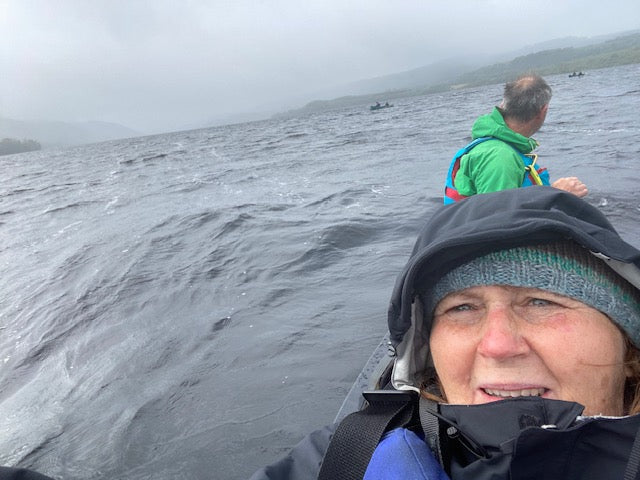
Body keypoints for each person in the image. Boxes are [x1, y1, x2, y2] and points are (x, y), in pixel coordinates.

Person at [250, 186, 640, 479]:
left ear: (628, 343)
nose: (498, 345)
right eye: (463, 308)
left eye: (541, 302)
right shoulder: (343, 459)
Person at [444, 73, 588, 205]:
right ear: (543, 111)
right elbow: (498, 223)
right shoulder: (499, 158)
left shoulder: (497, 148)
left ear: (503, 105)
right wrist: (557, 194)